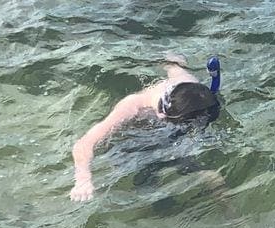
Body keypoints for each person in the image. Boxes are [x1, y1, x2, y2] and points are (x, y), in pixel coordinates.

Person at [69, 55, 221, 201]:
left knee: (215, 178)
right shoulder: (133, 106)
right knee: (146, 180)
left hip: (166, 135)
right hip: (132, 138)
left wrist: (174, 59)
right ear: (162, 115)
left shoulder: (190, 85)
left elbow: (172, 64)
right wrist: (83, 179)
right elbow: (84, 143)